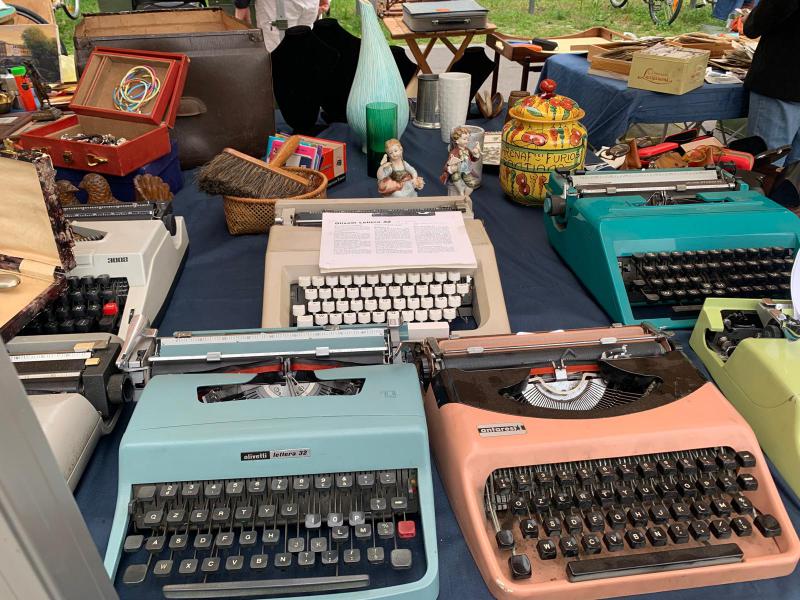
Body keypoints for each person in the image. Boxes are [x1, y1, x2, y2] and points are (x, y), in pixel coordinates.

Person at [743, 0, 800, 165]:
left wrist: (751, 19)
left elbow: (755, 26)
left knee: (765, 167)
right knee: (793, 172)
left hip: (782, 83)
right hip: (785, 84)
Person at [234, 0, 330, 52]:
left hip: (280, 5)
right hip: (310, 4)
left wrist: (241, 4)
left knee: (278, 51)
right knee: (304, 45)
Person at [441, 126, 481, 197]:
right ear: (457, 141)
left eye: (468, 139)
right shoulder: (454, 152)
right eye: (464, 139)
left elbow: (473, 159)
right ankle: (461, 192)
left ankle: (465, 196)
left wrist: (476, 154)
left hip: (466, 171)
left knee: (472, 183)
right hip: (458, 171)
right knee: (455, 177)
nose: (467, 141)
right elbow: (448, 164)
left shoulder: (467, 150)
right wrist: (451, 168)